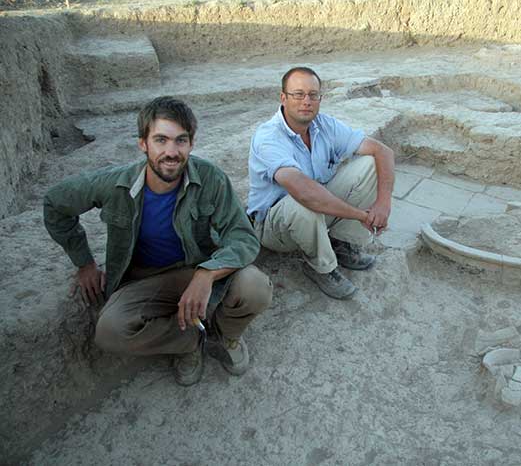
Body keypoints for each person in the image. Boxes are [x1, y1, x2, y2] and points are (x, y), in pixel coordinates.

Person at [44, 96, 272, 386]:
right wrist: (84, 263)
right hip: (142, 280)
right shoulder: (115, 184)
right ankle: (190, 341)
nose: (171, 152)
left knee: (256, 287)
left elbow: (242, 236)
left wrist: (206, 274)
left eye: (181, 141)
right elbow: (55, 204)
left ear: (191, 144)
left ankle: (224, 335)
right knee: (110, 331)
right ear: (143, 143)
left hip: (195, 267)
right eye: (161, 140)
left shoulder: (210, 178)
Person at [248, 67, 395, 300]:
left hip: (315, 208)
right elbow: (304, 192)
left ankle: (341, 241)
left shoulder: (324, 125)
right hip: (274, 226)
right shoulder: (269, 137)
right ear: (283, 98)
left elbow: (382, 151)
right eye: (298, 94)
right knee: (303, 202)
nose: (307, 101)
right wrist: (361, 215)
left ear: (320, 98)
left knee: (369, 163)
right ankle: (321, 266)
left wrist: (383, 204)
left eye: (313, 95)